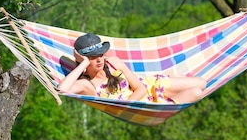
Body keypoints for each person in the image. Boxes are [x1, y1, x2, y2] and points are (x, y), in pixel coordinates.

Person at [58, 33, 207, 104]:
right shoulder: (87, 85)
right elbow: (62, 89)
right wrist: (83, 63)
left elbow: (141, 88)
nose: (99, 59)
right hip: (148, 106)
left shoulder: (113, 62)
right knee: (196, 92)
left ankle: (172, 76)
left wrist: (127, 104)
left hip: (151, 87)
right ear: (83, 59)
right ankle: (176, 79)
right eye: (92, 57)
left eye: (101, 55)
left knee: (202, 83)